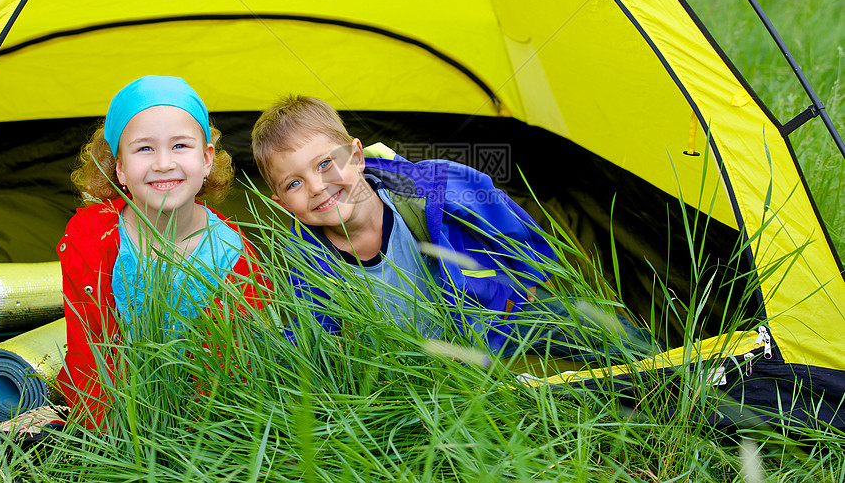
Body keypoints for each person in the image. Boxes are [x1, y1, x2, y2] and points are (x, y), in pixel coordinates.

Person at [251, 95, 655, 360]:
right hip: (414, 366)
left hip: (495, 321)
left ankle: (681, 381)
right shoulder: (309, 260)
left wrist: (524, 286)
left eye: (325, 164)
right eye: (294, 183)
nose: (318, 186)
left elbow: (510, 226)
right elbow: (312, 332)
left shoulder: (433, 189)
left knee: (582, 325)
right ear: (282, 203)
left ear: (356, 156)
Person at [56, 75, 269, 429]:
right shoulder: (90, 236)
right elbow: (87, 354)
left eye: (180, 146)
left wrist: (185, 441)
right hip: (111, 421)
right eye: (144, 149)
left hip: (207, 426)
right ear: (119, 168)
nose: (164, 163)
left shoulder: (237, 259)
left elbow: (238, 373)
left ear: (206, 160)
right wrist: (114, 438)